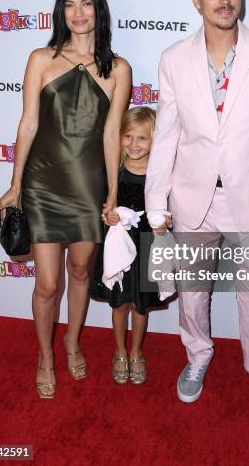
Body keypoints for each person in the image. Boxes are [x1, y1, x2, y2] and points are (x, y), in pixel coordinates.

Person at [145, 0, 249, 430]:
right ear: (196, 0)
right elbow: (166, 134)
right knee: (193, 292)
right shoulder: (173, 60)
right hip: (191, 201)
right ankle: (197, 355)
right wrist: (156, 202)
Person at [0, 0, 131, 398]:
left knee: (79, 271)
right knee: (48, 284)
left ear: (99, 9)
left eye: (86, 3)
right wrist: (15, 184)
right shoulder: (41, 58)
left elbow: (112, 136)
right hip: (42, 184)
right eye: (70, 4)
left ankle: (72, 342)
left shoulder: (119, 69)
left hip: (88, 187)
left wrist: (112, 192)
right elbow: (29, 124)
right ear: (61, 11)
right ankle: (44, 355)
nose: (78, 13)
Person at [91, 107, 164, 384]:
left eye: (142, 138)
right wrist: (106, 215)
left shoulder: (160, 174)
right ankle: (119, 352)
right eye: (128, 136)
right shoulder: (115, 170)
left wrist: (164, 223)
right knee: (119, 304)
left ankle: (136, 353)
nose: (134, 144)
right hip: (116, 248)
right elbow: (102, 205)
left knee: (140, 304)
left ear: (155, 140)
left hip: (147, 247)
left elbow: (170, 209)